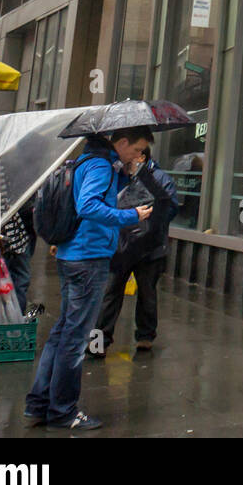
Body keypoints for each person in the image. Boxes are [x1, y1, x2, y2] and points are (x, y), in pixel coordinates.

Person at [23, 127, 154, 431]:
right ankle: (63, 411)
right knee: (75, 338)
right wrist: (131, 216)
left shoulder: (93, 161)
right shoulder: (98, 164)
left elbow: (99, 196)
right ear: (121, 142)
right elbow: (89, 206)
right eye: (136, 149)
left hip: (75, 255)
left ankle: (39, 404)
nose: (138, 156)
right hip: (88, 258)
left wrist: (124, 174)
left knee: (62, 333)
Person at [94, 146, 180, 354]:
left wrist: (147, 231)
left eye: (130, 152)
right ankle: (99, 341)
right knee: (111, 293)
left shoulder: (159, 177)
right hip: (121, 246)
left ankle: (145, 336)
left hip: (150, 248)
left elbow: (169, 208)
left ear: (141, 156)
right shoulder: (118, 176)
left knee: (147, 292)